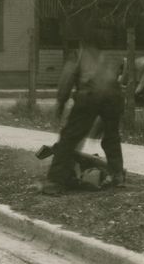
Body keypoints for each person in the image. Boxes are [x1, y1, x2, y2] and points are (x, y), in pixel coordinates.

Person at [42, 21, 125, 195]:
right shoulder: (107, 55)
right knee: (111, 136)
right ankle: (117, 175)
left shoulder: (78, 54)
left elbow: (67, 79)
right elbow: (118, 77)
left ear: (81, 40)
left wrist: (61, 102)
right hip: (114, 96)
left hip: (89, 95)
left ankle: (55, 182)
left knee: (69, 137)